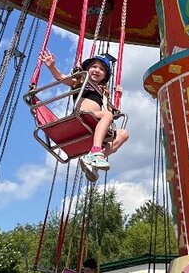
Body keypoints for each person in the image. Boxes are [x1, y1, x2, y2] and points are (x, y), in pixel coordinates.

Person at [39, 50, 129, 179]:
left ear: (105, 76)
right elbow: (62, 78)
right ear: (87, 69)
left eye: (101, 69)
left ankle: (93, 159)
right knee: (107, 115)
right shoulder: (81, 81)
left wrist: (119, 95)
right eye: (94, 66)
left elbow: (113, 113)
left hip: (95, 122)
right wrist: (52, 67)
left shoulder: (103, 93)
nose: (97, 70)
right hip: (82, 116)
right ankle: (96, 151)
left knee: (123, 134)